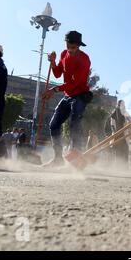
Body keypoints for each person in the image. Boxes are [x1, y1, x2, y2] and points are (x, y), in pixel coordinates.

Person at [42, 31, 92, 167]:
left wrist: (54, 90)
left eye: (74, 47)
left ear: (79, 46)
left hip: (80, 95)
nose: (71, 49)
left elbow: (74, 83)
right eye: (69, 45)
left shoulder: (84, 59)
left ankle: (77, 154)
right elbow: (58, 74)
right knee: (53, 125)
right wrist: (52, 62)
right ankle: (57, 158)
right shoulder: (64, 54)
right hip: (67, 96)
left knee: (74, 122)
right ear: (66, 43)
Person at [105, 100, 131, 164]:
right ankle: (118, 165)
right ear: (119, 105)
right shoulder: (114, 113)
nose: (123, 106)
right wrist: (115, 132)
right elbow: (112, 124)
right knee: (117, 151)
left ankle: (124, 166)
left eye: (123, 104)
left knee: (125, 150)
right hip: (117, 134)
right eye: (121, 104)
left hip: (124, 134)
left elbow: (130, 120)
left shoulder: (125, 112)